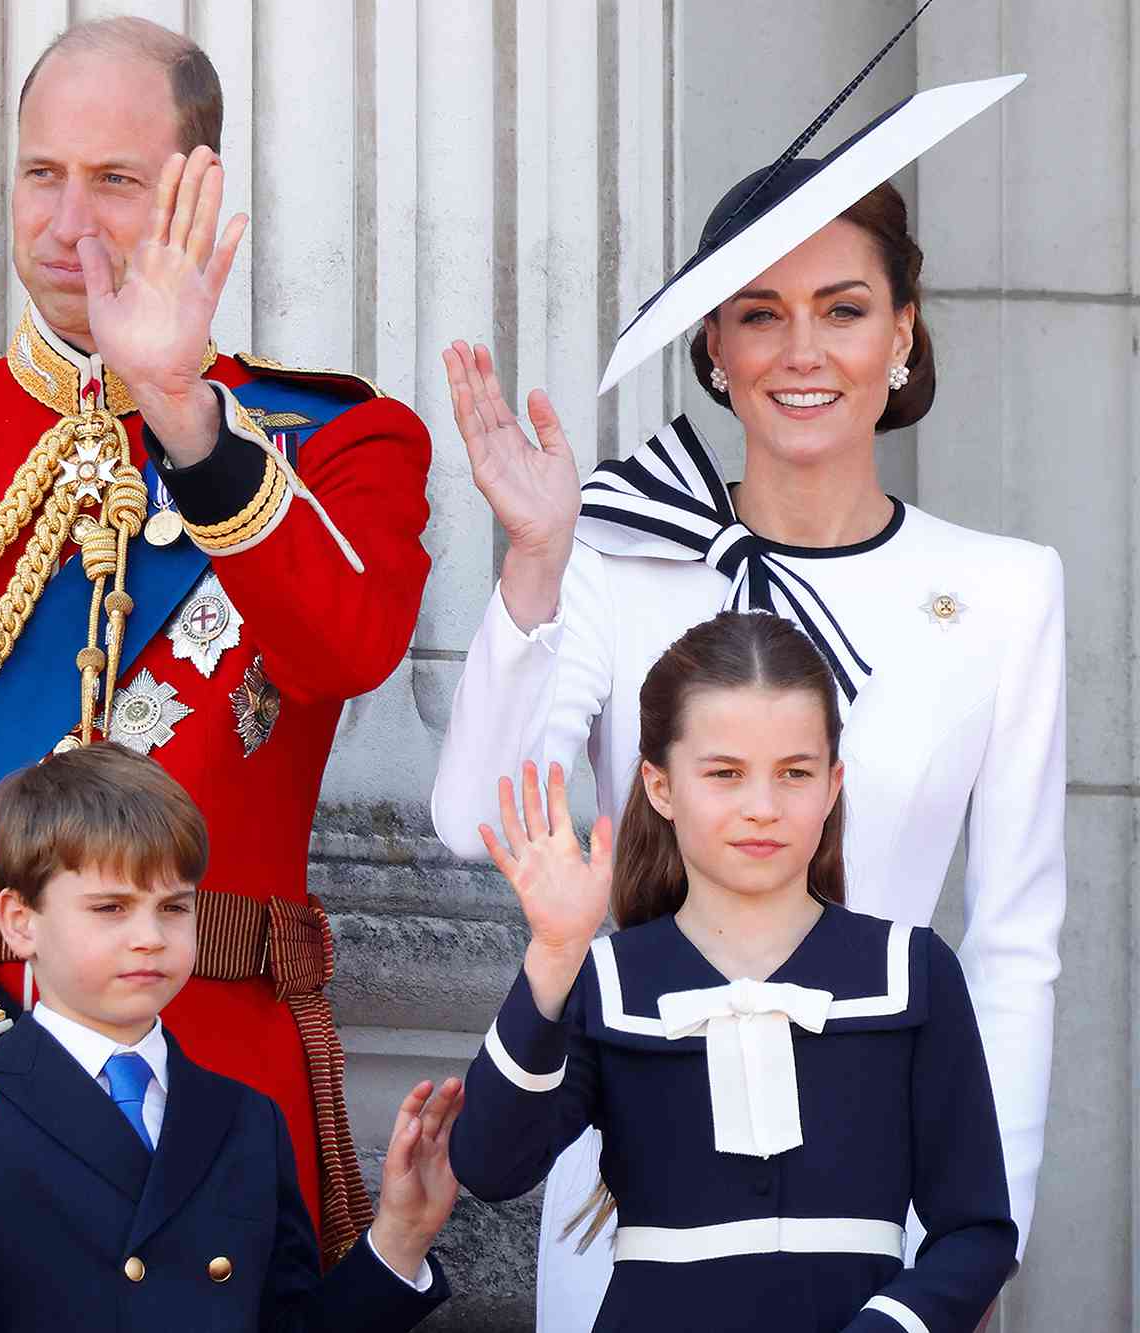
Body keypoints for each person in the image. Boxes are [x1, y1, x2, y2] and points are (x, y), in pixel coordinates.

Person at [0, 17, 431, 1322]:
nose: (68, 219)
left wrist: (185, 416)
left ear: (197, 190)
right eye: (41, 174)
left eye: (114, 180)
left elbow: (347, 644)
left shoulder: (338, 441)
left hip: (210, 1099)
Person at [429, 56, 1058, 1330]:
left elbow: (1010, 951)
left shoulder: (1002, 590)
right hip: (629, 1190)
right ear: (712, 347)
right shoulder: (616, 551)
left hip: (880, 1207)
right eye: (758, 313)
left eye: (840, 307)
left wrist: (973, 1245)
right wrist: (539, 566)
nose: (800, 350)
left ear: (902, 330)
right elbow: (474, 822)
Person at [452, 611, 1016, 1333]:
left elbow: (978, 1232)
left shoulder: (913, 972)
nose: (762, 807)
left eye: (794, 773)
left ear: (833, 782)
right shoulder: (608, 981)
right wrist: (555, 955)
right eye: (725, 773)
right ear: (660, 786)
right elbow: (490, 1164)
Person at [0, 743, 457, 1331]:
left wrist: (400, 1237)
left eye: (174, 907)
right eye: (111, 908)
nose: (150, 936)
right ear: (20, 922)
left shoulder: (246, 1119)